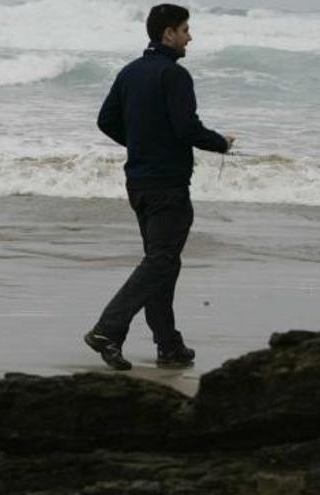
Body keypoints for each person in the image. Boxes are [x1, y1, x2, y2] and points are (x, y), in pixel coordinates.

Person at [84, 4, 233, 370]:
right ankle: (107, 329)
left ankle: (168, 345)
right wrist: (221, 143)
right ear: (168, 34)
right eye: (185, 30)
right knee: (161, 261)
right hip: (168, 184)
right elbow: (187, 128)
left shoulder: (130, 72)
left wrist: (141, 144)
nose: (189, 37)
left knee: (162, 262)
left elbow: (106, 120)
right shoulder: (174, 75)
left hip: (138, 182)